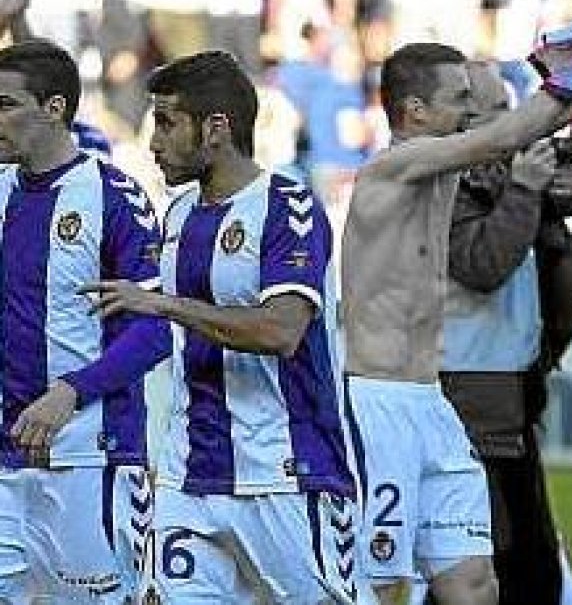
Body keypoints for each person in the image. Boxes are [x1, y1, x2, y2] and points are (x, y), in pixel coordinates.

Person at [81, 50, 365, 602]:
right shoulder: (179, 216)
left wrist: (165, 305)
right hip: (190, 476)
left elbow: (281, 331)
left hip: (287, 474)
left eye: (166, 122)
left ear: (215, 129)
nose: (153, 141)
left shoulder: (288, 205)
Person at [340, 41, 572, 604]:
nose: (472, 111)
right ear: (416, 111)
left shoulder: (446, 174)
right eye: (460, 99)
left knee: (474, 584)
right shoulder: (389, 168)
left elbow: (537, 141)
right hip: (381, 406)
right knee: (383, 585)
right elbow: (503, 136)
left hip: (432, 404)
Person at [0, 40, 166, 601]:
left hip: (90, 457)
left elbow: (154, 328)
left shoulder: (112, 195)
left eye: (5, 105)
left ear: (54, 109)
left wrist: (70, 392)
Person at [437, 59, 572, 605]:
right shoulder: (442, 185)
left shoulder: (496, 180)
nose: (516, 124)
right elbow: (483, 265)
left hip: (510, 397)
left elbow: (559, 257)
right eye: (500, 111)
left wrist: (555, 193)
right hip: (465, 406)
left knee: (520, 572)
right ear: (465, 121)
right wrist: (525, 189)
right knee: (490, 574)